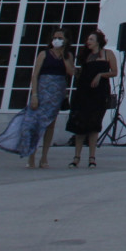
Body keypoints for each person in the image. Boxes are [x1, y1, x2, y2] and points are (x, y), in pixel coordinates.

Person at [18, 30, 73, 168]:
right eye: (54, 37)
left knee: (50, 125)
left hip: (56, 94)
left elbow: (71, 72)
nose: (56, 40)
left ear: (65, 40)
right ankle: (31, 156)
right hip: (42, 92)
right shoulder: (44, 54)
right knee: (36, 124)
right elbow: (35, 75)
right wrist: (34, 94)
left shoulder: (68, 56)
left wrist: (64, 55)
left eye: (60, 38)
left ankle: (44, 157)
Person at [66, 28, 117, 167]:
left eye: (91, 39)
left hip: (99, 92)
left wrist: (100, 75)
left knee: (94, 124)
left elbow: (114, 72)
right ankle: (76, 157)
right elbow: (79, 73)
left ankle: (92, 157)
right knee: (80, 124)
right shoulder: (86, 55)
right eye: (88, 39)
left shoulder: (108, 54)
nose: (88, 42)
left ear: (98, 41)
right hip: (84, 91)